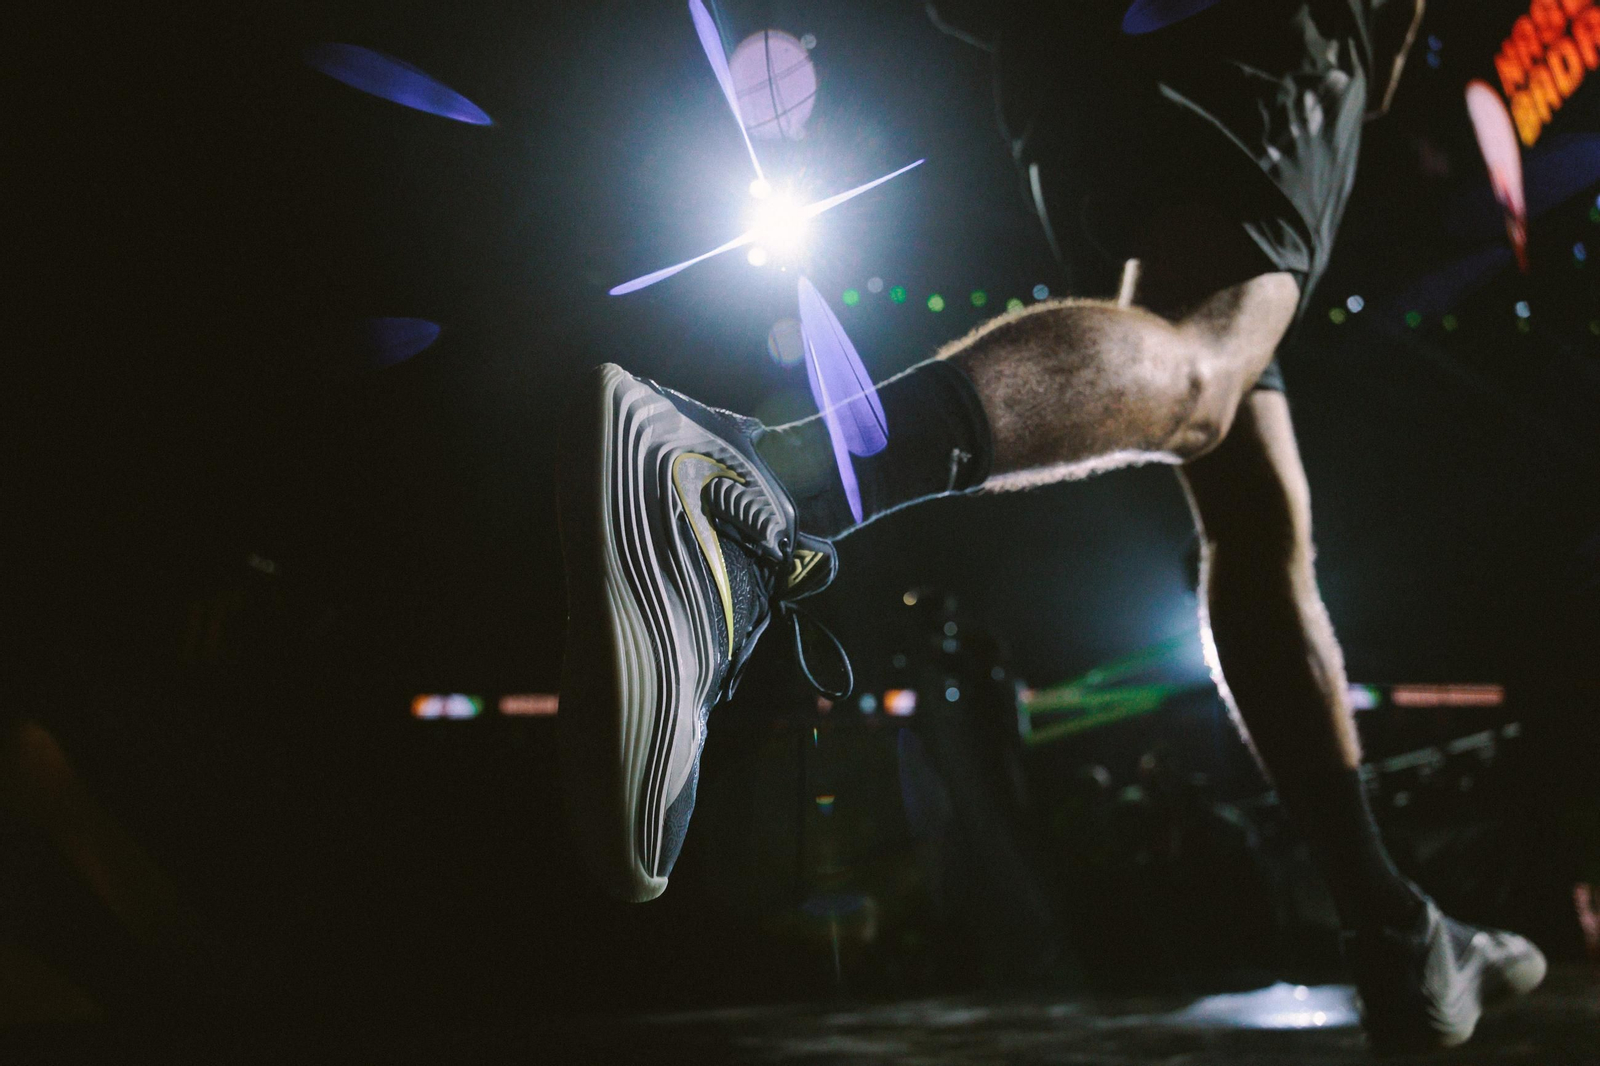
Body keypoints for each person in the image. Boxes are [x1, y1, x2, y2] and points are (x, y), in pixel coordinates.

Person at [556, 0, 1545, 1051]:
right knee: (1202, 375)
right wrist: (1381, 64)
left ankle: (1392, 923)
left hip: (1055, 54)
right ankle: (759, 483)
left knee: (1251, 506)